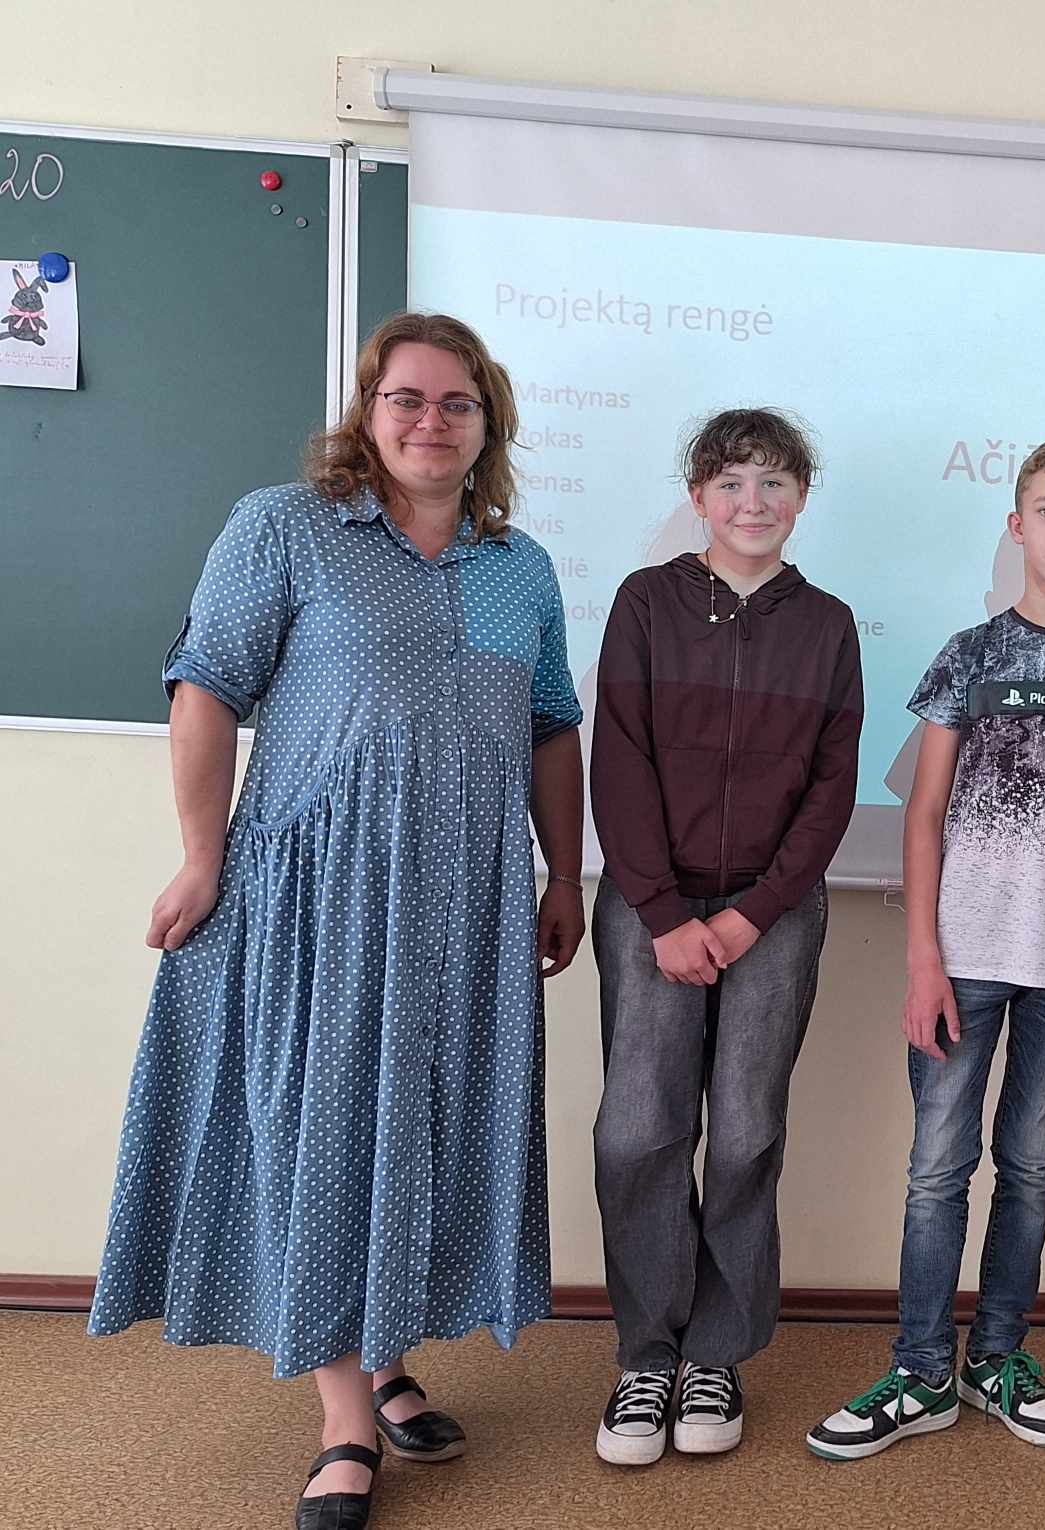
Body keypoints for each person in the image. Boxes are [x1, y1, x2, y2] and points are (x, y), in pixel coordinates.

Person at [87, 312, 586, 1530]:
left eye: (458, 402)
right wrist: (201, 859)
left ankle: (386, 1355)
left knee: (426, 1128)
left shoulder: (520, 567)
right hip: (320, 895)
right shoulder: (286, 528)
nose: (431, 421)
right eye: (406, 398)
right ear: (368, 413)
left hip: (468, 904)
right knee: (325, 1128)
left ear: (490, 424)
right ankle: (346, 1421)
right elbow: (206, 688)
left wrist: (565, 874)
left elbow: (550, 728)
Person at [806, 438, 1045, 1460]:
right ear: (1017, 525)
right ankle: (922, 1371)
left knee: (1030, 1169)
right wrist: (923, 960)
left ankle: (998, 1358)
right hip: (961, 960)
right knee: (936, 1169)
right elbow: (923, 815)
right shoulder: (969, 655)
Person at [588, 408, 862, 1465]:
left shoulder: (828, 625)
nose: (755, 502)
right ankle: (646, 1358)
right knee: (640, 1132)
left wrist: (752, 912)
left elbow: (832, 788)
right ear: (699, 497)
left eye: (776, 483)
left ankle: (716, 1354)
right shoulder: (645, 601)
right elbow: (619, 758)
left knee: (746, 1133)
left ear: (802, 499)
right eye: (734, 483)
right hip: (649, 910)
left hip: (773, 914)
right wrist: (664, 915)